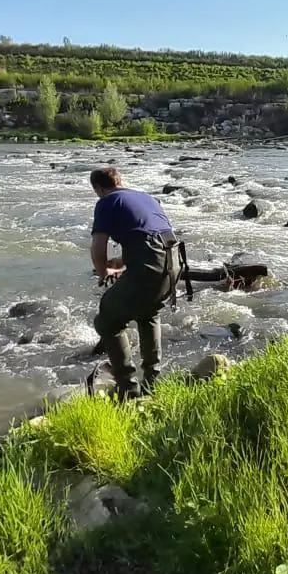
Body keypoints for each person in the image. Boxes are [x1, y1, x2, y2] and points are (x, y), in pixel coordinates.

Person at [88, 166, 182, 400]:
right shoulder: (147, 198)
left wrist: (103, 271)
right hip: (174, 262)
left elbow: (98, 247)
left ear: (98, 188)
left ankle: (128, 388)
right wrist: (121, 262)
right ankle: (152, 383)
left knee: (107, 320)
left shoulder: (107, 202)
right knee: (148, 313)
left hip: (151, 266)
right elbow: (150, 237)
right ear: (120, 181)